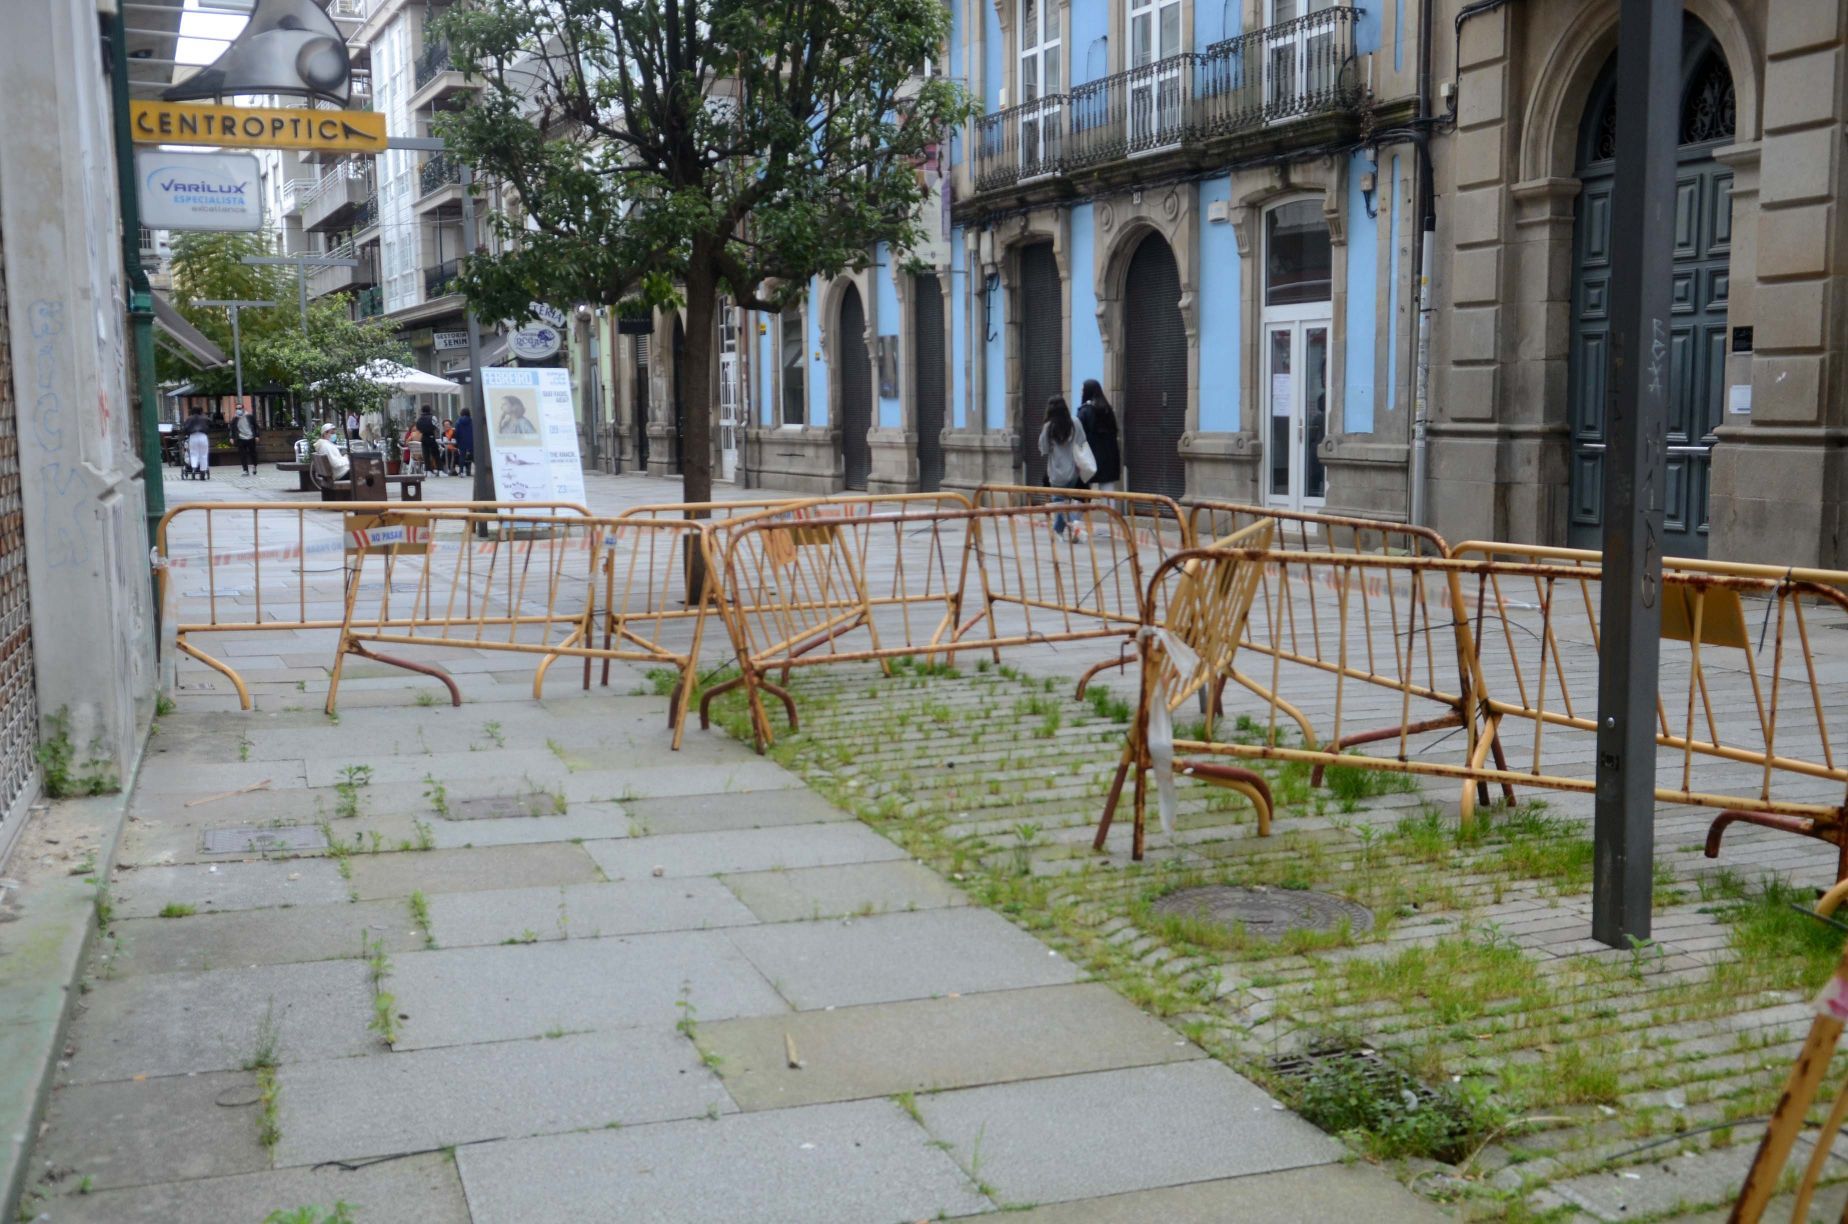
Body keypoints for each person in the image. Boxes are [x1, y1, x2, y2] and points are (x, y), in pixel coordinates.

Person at [1036, 395, 1089, 539]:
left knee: (1059, 503)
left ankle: (1073, 524)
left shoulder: (1048, 427)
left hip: (1056, 473)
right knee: (1064, 502)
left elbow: (1044, 449)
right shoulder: (1075, 422)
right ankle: (1059, 530)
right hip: (1073, 471)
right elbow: (1082, 441)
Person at [1077, 379, 1121, 492]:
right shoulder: (1108, 410)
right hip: (1109, 458)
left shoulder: (1084, 411)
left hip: (1089, 458)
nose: (1081, 393)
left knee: (1081, 494)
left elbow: (1078, 435)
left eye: (1082, 390)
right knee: (1108, 493)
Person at [182, 406, 212, 480]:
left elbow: (185, 428)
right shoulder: (206, 418)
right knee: (204, 455)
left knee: (193, 453)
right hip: (203, 436)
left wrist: (187, 433)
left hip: (193, 436)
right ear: (201, 411)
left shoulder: (189, 419)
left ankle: (194, 468)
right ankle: (202, 471)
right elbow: (211, 426)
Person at [230, 404, 260, 475]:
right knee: (242, 455)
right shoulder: (235, 419)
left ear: (243, 408)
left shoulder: (249, 416)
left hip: (250, 437)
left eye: (240, 408)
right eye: (237, 408)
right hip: (241, 438)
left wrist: (257, 436)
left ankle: (254, 466)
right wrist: (231, 437)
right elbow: (232, 429)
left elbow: (256, 426)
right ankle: (245, 470)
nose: (238, 410)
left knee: (253, 453)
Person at [415, 404, 441, 475]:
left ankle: (428, 470)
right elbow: (437, 426)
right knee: (436, 453)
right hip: (431, 436)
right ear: (429, 410)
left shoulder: (419, 419)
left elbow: (418, 427)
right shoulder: (432, 417)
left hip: (423, 437)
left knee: (426, 454)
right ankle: (440, 470)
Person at [453, 408, 474, 477]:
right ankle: (481, 470)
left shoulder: (458, 422)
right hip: (471, 441)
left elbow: (456, 433)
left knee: (462, 456)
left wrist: (457, 440)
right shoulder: (472, 421)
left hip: (461, 441)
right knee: (474, 456)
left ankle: (461, 472)